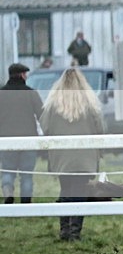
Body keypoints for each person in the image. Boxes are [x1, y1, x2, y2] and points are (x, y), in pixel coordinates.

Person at [40, 69, 104, 241]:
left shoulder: (53, 105)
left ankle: (64, 230)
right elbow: (100, 129)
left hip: (62, 157)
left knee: (66, 190)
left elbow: (45, 127)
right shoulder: (90, 104)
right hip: (85, 157)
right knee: (80, 192)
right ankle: (75, 232)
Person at [0, 63, 44, 204]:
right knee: (27, 175)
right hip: (28, 139)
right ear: (22, 75)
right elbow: (42, 115)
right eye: (25, 74)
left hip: (6, 139)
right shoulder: (31, 93)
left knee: (7, 170)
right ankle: (25, 202)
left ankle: (8, 192)